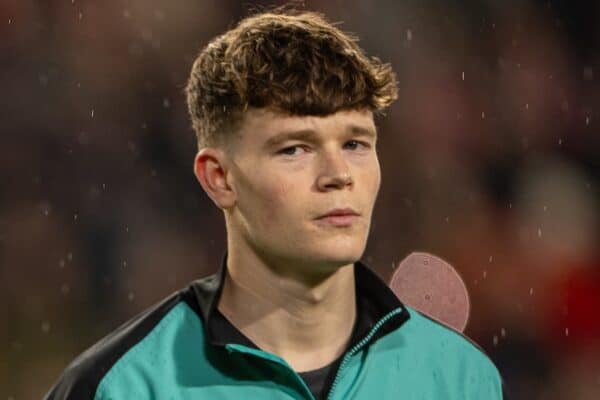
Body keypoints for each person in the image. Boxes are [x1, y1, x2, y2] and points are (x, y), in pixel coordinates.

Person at [45, 8, 507, 399]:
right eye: (295, 149)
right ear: (219, 178)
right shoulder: (123, 386)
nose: (338, 175)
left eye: (356, 144)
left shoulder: (460, 378)